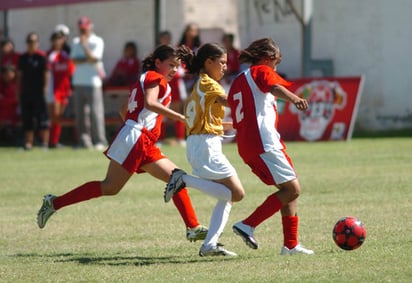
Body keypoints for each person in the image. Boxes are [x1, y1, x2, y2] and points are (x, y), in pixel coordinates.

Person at [37, 44, 208, 243]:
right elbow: (150, 104)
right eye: (170, 65)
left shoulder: (147, 78)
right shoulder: (155, 77)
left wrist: (133, 127)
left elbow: (123, 110)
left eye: (177, 66)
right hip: (138, 138)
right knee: (110, 187)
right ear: (158, 62)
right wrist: (180, 117)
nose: (174, 70)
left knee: (178, 178)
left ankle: (193, 227)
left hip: (141, 139)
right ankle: (54, 203)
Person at [227, 38, 314, 255]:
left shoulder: (238, 80)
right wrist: (295, 99)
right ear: (267, 58)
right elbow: (274, 86)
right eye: (275, 62)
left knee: (287, 190)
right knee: (293, 189)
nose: (276, 67)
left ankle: (291, 245)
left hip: (249, 144)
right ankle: (248, 224)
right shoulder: (260, 71)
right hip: (264, 142)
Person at [164, 43, 245, 257]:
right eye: (222, 63)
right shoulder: (209, 84)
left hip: (199, 144)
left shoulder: (200, 84)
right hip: (206, 146)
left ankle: (210, 244)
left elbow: (205, 122)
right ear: (208, 62)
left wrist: (234, 125)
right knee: (237, 193)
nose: (225, 67)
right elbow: (231, 102)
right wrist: (253, 103)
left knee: (227, 196)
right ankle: (184, 180)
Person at [70, 17, 107, 150]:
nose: (82, 31)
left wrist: (85, 46)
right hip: (78, 81)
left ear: (90, 27)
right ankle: (83, 141)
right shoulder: (75, 41)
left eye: (84, 29)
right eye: (80, 29)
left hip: (93, 82)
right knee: (80, 114)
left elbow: (95, 58)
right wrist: (87, 58)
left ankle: (99, 141)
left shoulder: (97, 41)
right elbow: (74, 60)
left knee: (96, 113)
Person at [17, 32, 50, 150]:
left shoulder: (41, 57)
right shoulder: (23, 58)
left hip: (38, 92)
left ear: (38, 43)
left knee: (43, 117)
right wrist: (18, 91)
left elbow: (46, 73)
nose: (32, 44)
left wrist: (45, 88)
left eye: (34, 42)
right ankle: (28, 143)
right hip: (26, 92)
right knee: (27, 118)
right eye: (30, 42)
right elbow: (19, 76)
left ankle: (45, 143)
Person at [47, 31, 75, 148]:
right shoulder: (50, 55)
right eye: (56, 39)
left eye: (60, 39)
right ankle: (49, 141)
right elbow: (47, 73)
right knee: (54, 116)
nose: (58, 41)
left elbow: (71, 71)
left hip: (64, 89)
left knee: (59, 116)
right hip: (53, 90)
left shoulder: (66, 55)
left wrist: (70, 87)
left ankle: (54, 141)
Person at [0, 65, 19, 143]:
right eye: (6, 74)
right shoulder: (1, 84)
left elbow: (18, 100)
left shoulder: (18, 85)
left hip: (15, 112)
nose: (8, 76)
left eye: (11, 74)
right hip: (3, 111)